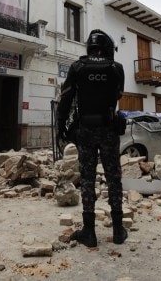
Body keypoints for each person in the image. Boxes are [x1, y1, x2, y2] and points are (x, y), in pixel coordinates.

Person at [56, 29, 126, 247]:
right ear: (106, 48)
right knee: (113, 178)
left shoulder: (78, 68)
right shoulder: (117, 69)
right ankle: (117, 230)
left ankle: (89, 232)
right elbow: (118, 95)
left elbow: (65, 100)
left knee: (87, 178)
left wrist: (61, 128)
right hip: (109, 130)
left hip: (85, 129)